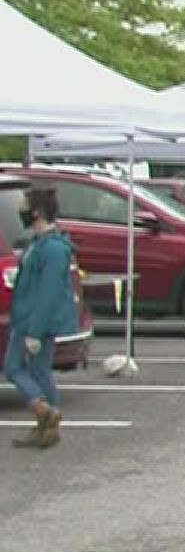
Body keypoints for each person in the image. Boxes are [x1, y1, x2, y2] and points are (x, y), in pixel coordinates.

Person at [6, 188, 78, 451]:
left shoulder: (54, 249)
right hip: (26, 317)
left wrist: (35, 331)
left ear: (36, 212)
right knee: (38, 370)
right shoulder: (38, 244)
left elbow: (48, 294)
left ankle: (43, 410)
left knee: (15, 368)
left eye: (25, 206)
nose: (21, 211)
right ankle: (46, 424)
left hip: (33, 322)